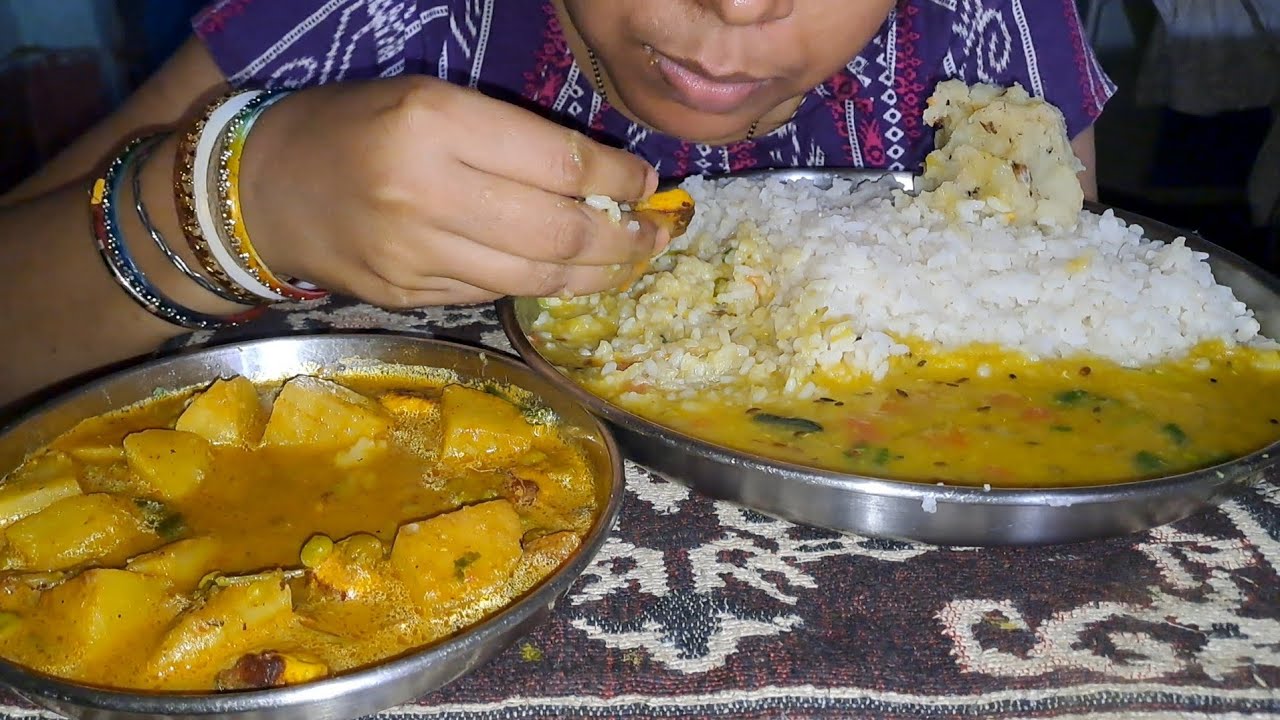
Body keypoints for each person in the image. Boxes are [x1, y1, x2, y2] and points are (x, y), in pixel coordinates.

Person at [0, 0, 1113, 407]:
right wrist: (243, 197)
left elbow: (1075, 339)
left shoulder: (987, 38)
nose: (738, 5)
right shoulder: (364, 22)